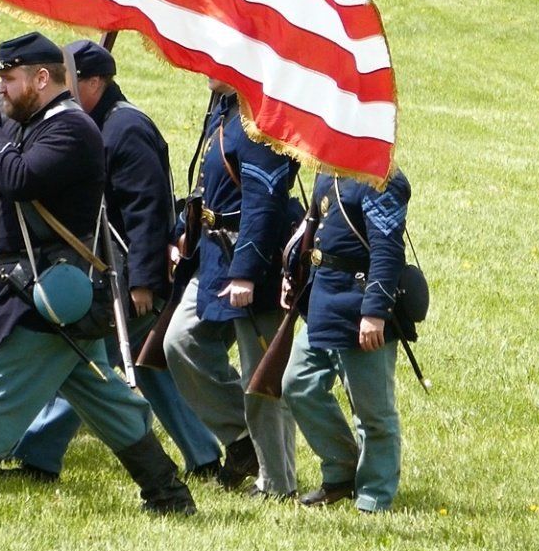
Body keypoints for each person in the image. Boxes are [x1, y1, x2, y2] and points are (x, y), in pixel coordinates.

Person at [0, 32, 194, 516]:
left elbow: (20, 175)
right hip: (39, 285)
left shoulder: (71, 128)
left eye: (10, 79)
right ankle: (168, 494)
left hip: (46, 288)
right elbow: (4, 177)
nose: (2, 90)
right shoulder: (30, 124)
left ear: (41, 77)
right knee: (105, 399)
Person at [8, 41, 222, 481]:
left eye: (73, 81)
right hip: (104, 265)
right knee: (144, 364)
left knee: (79, 361)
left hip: (127, 273)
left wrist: (144, 283)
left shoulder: (125, 128)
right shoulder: (92, 122)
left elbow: (147, 210)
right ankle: (205, 455)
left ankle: (39, 456)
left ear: (96, 82)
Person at [162, 81, 301, 497]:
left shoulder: (262, 118)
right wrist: (181, 233)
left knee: (260, 378)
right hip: (213, 253)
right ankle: (242, 442)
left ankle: (277, 483)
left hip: (250, 261)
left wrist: (245, 271)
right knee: (180, 343)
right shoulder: (224, 107)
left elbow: (265, 202)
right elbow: (211, 185)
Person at [282, 169, 412, 514]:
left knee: (372, 411)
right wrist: (293, 276)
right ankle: (340, 472)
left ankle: (374, 494)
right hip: (323, 299)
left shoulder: (382, 181)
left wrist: (375, 312)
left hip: (361, 306)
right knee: (297, 384)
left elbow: (387, 251)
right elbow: (316, 236)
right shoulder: (329, 174)